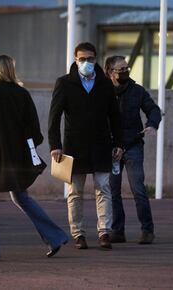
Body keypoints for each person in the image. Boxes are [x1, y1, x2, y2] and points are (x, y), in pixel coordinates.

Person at [0, 55, 68, 262]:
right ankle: (55, 237)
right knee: (21, 196)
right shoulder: (22, 94)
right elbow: (35, 132)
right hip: (17, 157)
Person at [48, 42, 123, 250]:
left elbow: (114, 116)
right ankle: (78, 233)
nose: (86, 63)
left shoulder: (106, 84)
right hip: (74, 146)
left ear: (96, 59)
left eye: (90, 59)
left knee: (103, 188)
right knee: (75, 192)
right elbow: (54, 117)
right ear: (75, 60)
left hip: (101, 144)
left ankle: (104, 232)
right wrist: (55, 144)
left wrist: (118, 142)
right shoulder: (64, 83)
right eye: (82, 59)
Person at [104, 55, 161, 244]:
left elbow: (153, 109)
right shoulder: (102, 92)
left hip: (133, 145)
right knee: (113, 191)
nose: (125, 73)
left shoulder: (137, 91)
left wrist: (152, 124)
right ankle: (118, 231)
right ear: (110, 72)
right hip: (111, 149)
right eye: (121, 70)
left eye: (127, 69)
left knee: (138, 189)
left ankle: (147, 230)